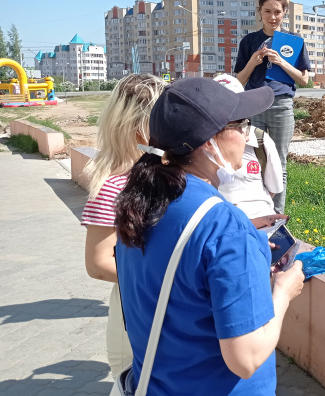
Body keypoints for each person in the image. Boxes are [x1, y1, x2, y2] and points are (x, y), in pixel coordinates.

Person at [114, 77, 305, 395]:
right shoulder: (225, 227)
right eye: (241, 125)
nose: (246, 135)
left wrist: (248, 251)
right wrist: (284, 292)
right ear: (208, 142)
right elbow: (246, 359)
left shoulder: (141, 203)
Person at [80, 73, 165, 377]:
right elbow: (98, 264)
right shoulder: (114, 185)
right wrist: (167, 279)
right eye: (164, 116)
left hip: (158, 307)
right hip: (136, 313)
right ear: (140, 126)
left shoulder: (157, 173)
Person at [234, 0, 311, 214]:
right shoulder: (249, 41)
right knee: (253, 160)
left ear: (284, 12)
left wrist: (281, 62)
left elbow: (304, 80)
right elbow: (239, 80)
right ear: (259, 11)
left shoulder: (294, 41)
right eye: (267, 11)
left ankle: (277, 215)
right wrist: (253, 62)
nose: (272, 17)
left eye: (277, 11)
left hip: (281, 106)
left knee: (279, 162)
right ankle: (256, 210)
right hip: (254, 105)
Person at [212, 74, 287, 228]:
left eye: (234, 108)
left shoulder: (260, 140)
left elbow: (273, 189)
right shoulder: (198, 147)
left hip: (263, 224)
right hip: (222, 228)